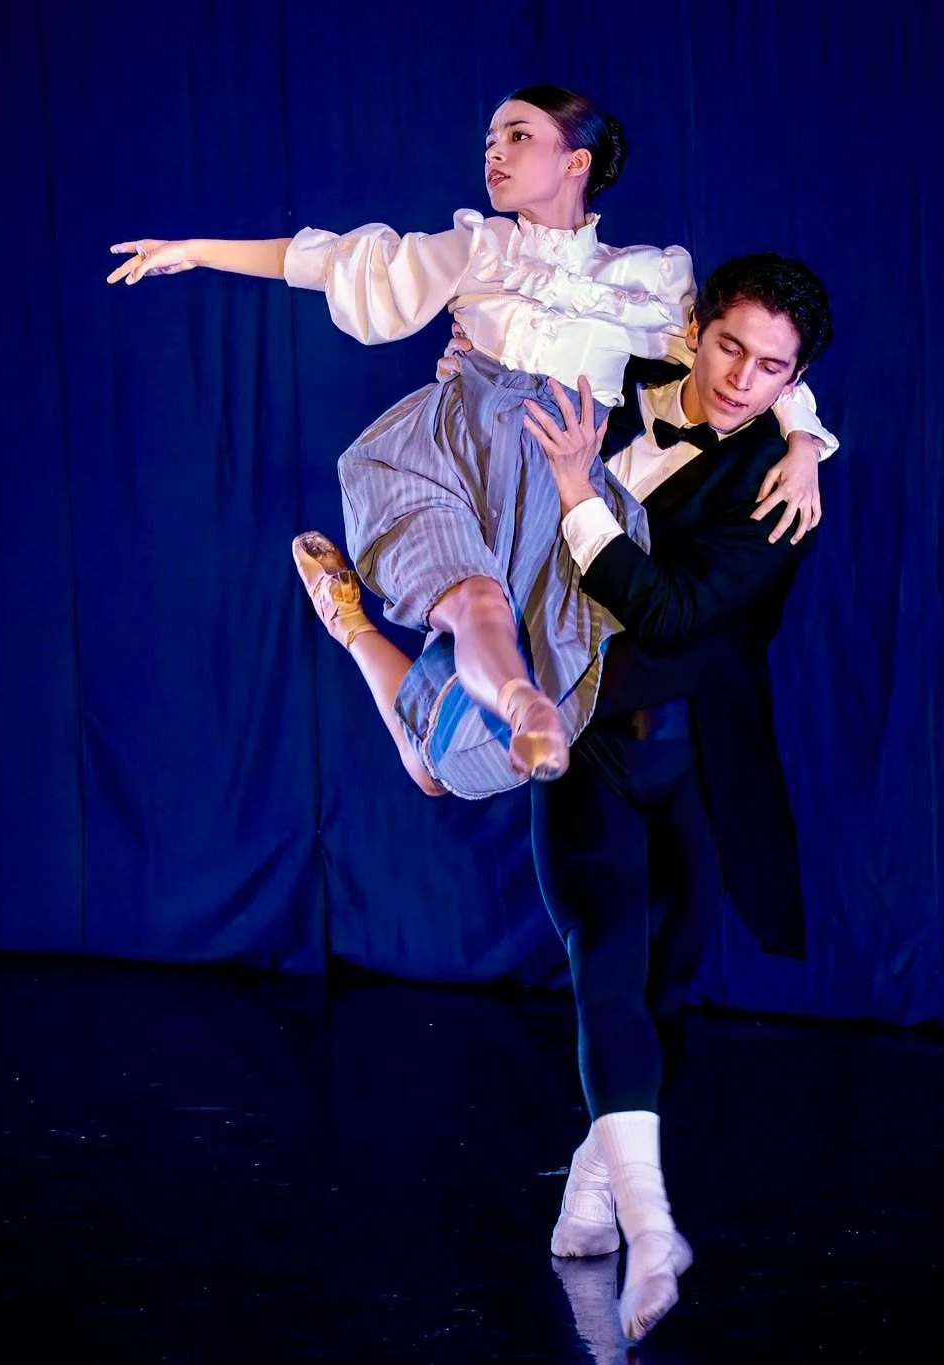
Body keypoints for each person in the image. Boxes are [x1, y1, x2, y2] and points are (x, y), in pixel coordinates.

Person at [302, 253, 834, 1341]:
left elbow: (674, 610)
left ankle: (594, 1195)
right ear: (698, 334)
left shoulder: (781, 486)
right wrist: (481, 370)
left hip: (696, 755)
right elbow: (514, 347)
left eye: (774, 370)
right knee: (604, 954)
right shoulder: (614, 369)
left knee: (668, 991)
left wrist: (807, 437)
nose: (742, 379)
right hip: (579, 722)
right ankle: (653, 1229)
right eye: (729, 347)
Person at [107, 84, 834, 794]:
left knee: (435, 769)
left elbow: (745, 349)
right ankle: (519, 700)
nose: (495, 153)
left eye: (517, 136)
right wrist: (199, 250)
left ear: (576, 161)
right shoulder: (476, 247)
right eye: (489, 141)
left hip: (551, 482)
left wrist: (802, 442)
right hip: (452, 452)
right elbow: (333, 262)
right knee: (478, 609)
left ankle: (350, 624)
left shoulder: (645, 280)